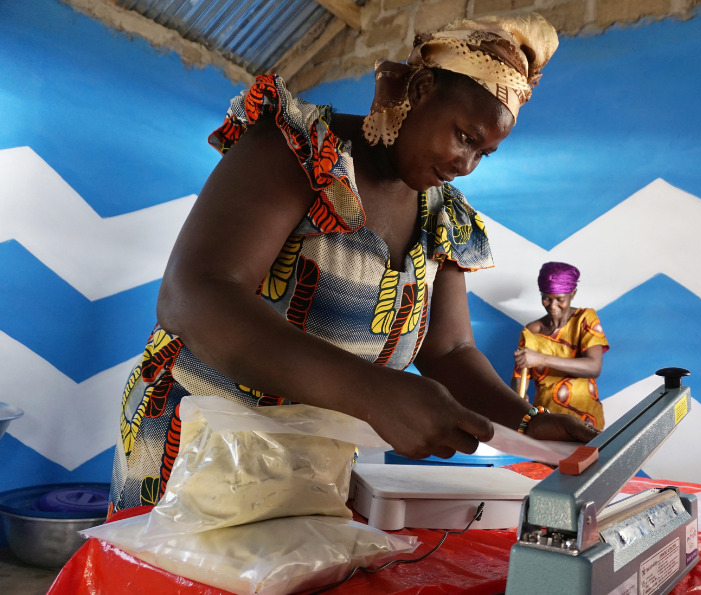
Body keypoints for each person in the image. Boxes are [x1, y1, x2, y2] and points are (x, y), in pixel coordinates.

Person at [108, 13, 600, 514]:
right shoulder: (302, 151)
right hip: (196, 445)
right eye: (465, 137)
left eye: (484, 154)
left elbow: (449, 351)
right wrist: (374, 393)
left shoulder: (443, 217)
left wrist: (523, 421)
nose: (465, 165)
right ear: (423, 88)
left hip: (309, 462)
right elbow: (194, 296)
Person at [512, 262, 610, 429]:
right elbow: (520, 377)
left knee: (584, 456)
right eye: (546, 298)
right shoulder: (531, 331)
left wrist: (542, 359)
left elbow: (594, 367)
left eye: (560, 299)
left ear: (573, 294)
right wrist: (517, 398)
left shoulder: (585, 320)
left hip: (585, 420)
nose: (552, 306)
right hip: (546, 421)